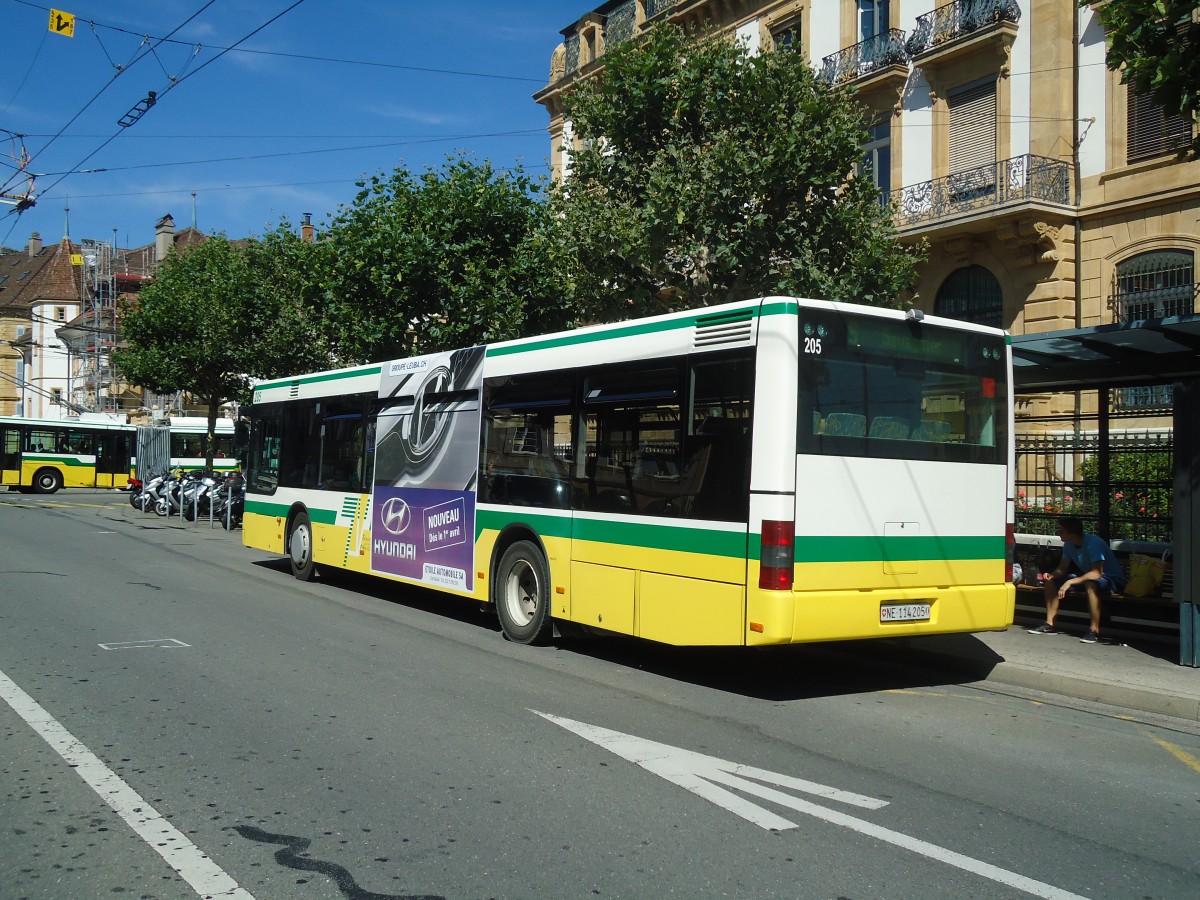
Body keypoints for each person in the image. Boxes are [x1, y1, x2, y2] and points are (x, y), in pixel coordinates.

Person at [1028, 516, 1127, 643]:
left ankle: (1094, 631)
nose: (1059, 534)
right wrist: (1052, 575)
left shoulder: (1094, 544)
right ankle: (1050, 624)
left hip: (1112, 580)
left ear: (1071, 534)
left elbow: (1097, 573)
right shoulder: (1069, 544)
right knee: (1050, 582)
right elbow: (1062, 568)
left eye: (1062, 531)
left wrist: (1070, 582)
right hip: (1088, 577)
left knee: (1090, 585)